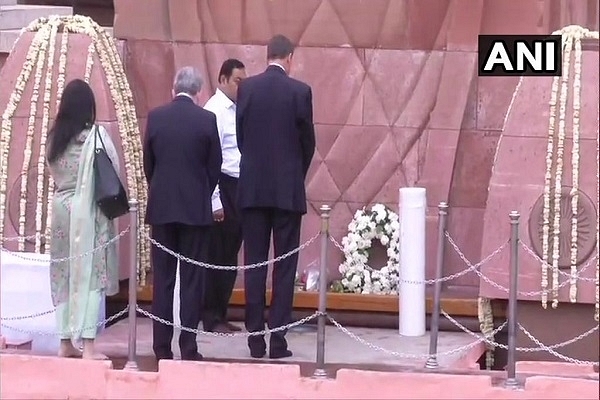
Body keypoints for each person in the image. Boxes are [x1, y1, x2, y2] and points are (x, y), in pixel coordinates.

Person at [236, 34, 316, 359]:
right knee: (284, 267)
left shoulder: (247, 89)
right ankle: (278, 340)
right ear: (290, 57)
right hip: (286, 191)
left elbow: (241, 136)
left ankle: (255, 338)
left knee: (254, 263)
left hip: (253, 190)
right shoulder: (300, 92)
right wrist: (294, 173)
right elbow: (307, 142)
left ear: (267, 55)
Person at [143, 66, 222, 361]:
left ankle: (161, 346)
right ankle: (188, 346)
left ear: (173, 88)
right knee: (192, 280)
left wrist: (162, 191)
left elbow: (148, 164)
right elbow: (215, 166)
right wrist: (200, 193)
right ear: (199, 92)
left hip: (162, 209)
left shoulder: (156, 117)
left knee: (163, 280)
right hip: (195, 211)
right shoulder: (207, 119)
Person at [47, 79, 121, 360]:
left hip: (61, 212)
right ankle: (88, 345)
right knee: (92, 274)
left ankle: (65, 341)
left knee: (63, 274)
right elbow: (112, 171)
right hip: (89, 213)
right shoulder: (96, 137)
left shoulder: (55, 139)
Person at [202, 59, 247, 333]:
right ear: (222, 80)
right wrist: (215, 201)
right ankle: (210, 316)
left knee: (230, 254)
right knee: (217, 254)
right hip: (222, 186)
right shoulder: (214, 111)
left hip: (240, 186)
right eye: (237, 81)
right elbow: (211, 160)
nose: (240, 87)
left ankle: (220, 312)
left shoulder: (239, 110)